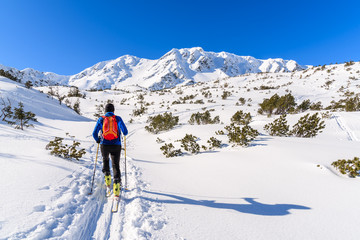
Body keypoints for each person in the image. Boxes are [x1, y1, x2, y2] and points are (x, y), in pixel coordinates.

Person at [92, 103, 128, 197]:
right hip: (116, 145)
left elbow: (94, 133)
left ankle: (107, 178)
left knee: (105, 159)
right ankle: (116, 185)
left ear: (105, 111)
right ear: (113, 111)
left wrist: (98, 140)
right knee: (116, 164)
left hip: (105, 145)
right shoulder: (118, 118)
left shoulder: (101, 119)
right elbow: (125, 132)